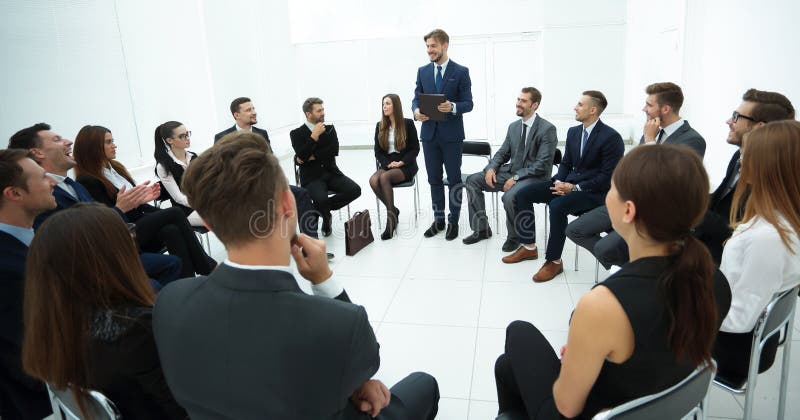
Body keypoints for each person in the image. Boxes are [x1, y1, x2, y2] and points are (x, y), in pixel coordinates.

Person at [152, 135, 439, 419]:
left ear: (208, 223)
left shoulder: (169, 302)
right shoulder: (339, 324)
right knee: (424, 384)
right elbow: (366, 361)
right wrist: (324, 279)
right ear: (289, 205)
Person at [495, 145, 731, 419]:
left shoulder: (604, 305)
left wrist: (574, 358)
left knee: (518, 332)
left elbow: (566, 406)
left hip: (593, 411)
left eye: (612, 188)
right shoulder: (715, 279)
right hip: (655, 396)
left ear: (628, 210)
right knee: (507, 368)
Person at [22, 203, 187, 419]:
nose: (133, 238)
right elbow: (186, 406)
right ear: (107, 257)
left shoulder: (55, 328)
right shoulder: (135, 329)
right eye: (126, 232)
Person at [8, 123, 183, 288]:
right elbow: (73, 240)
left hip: (111, 250)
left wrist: (132, 204)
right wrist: (121, 209)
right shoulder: (70, 187)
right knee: (172, 228)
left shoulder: (74, 184)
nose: (69, 142)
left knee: (171, 250)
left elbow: (96, 220)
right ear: (37, 153)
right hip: (96, 263)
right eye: (57, 140)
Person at [566, 82, 705, 269]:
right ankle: (630, 270)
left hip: (653, 214)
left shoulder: (691, 140)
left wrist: (649, 141)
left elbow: (666, 182)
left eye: (649, 105)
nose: (644, 109)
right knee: (575, 230)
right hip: (629, 202)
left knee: (603, 249)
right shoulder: (653, 131)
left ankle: (631, 275)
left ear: (665, 109)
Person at [503, 91, 624, 283]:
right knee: (523, 194)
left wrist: (574, 188)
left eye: (580, 104)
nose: (575, 107)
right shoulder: (574, 132)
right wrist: (559, 181)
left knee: (557, 206)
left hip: (593, 193)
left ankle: (554, 260)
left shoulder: (611, 137)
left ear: (593, 110)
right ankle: (528, 246)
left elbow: (607, 177)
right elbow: (566, 163)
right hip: (567, 184)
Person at [714, 120, 800, 385]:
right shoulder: (777, 219)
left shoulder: (769, 238)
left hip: (732, 348)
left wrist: (687, 308)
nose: (740, 161)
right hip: (736, 330)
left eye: (746, 155)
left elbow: (738, 319)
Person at [72, 124, 216, 277]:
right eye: (108, 142)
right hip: (125, 230)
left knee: (172, 230)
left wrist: (146, 202)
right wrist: (131, 205)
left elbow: (138, 206)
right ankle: (207, 265)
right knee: (176, 212)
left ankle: (186, 281)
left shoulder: (116, 169)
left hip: (141, 221)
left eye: (112, 140)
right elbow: (108, 217)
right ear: (93, 147)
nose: (114, 145)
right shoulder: (88, 180)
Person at [695, 88, 795, 264]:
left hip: (729, 262)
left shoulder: (770, 175)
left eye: (736, 116)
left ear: (759, 127)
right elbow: (722, 202)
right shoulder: (739, 156)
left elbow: (741, 231)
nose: (728, 121)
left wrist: (693, 209)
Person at [463, 87, 557, 251]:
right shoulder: (514, 127)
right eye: (518, 99)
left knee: (510, 196)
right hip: (512, 171)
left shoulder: (547, 129)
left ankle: (515, 237)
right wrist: (491, 168)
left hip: (535, 177)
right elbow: (502, 153)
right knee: (472, 181)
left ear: (534, 105)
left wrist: (516, 178)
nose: (518, 103)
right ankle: (482, 229)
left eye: (523, 101)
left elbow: (542, 164)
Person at [0, 149, 55, 419]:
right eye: (44, 177)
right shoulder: (8, 271)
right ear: (15, 194)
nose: (53, 181)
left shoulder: (29, 242)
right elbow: (32, 365)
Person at [412, 28, 474, 240]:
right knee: (433, 179)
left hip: (451, 136)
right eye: (427, 46)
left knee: (454, 179)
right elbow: (416, 98)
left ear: (445, 45)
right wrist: (416, 111)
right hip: (429, 135)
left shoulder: (461, 71)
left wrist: (454, 107)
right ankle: (438, 220)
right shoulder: (422, 71)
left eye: (433, 46)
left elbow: (469, 103)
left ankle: (453, 221)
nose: (430, 50)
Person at [290, 97, 361, 237]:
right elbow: (302, 156)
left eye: (323, 109)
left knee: (355, 190)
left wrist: (311, 156)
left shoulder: (330, 129)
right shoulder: (296, 133)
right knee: (320, 199)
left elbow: (333, 150)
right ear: (308, 114)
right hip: (311, 177)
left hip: (332, 173)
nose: (322, 113)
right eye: (319, 111)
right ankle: (326, 217)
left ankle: (321, 211)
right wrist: (314, 136)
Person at [370, 93, 420, 240]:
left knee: (384, 178)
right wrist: (387, 163)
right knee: (373, 180)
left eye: (387, 103)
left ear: (395, 106)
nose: (384, 107)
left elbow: (415, 148)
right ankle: (393, 210)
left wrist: (401, 162)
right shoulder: (380, 126)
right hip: (388, 163)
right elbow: (377, 151)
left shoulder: (408, 124)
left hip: (406, 164)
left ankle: (390, 221)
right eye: (383, 104)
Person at [154, 121, 203, 226]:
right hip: (186, 211)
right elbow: (179, 198)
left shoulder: (193, 157)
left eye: (187, 134)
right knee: (222, 218)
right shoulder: (163, 166)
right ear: (170, 140)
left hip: (205, 203)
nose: (187, 138)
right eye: (182, 136)